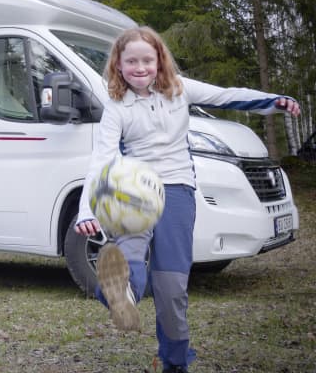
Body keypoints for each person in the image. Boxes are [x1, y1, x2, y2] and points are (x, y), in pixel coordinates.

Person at [74, 26, 300, 373]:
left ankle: (175, 362)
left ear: (159, 60)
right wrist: (86, 209)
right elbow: (101, 160)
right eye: (130, 61)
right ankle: (117, 293)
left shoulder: (179, 89)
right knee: (131, 256)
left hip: (178, 190)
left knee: (172, 289)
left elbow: (226, 96)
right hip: (133, 192)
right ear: (117, 65)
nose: (139, 67)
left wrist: (273, 102)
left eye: (147, 60)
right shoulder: (116, 107)